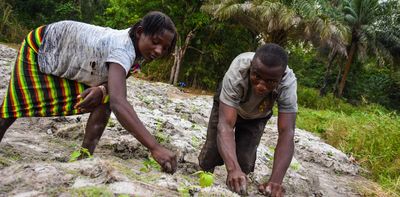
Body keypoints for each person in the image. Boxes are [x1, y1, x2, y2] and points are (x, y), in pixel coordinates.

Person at [0, 11, 178, 173]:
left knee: (104, 99)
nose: (158, 51)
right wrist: (154, 147)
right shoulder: (122, 49)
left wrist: (102, 89)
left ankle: (83, 159)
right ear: (140, 32)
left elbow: (116, 83)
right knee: (14, 104)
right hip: (41, 47)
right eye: (155, 42)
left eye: (165, 47)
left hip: (73, 63)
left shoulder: (139, 48)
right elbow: (119, 102)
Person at [198, 43, 297, 196]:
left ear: (281, 77)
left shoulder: (288, 84)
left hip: (257, 115)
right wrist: (232, 169)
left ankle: (236, 189)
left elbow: (287, 132)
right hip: (228, 107)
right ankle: (203, 181)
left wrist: (275, 182)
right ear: (251, 66)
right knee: (212, 152)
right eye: (257, 76)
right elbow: (226, 125)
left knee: (244, 161)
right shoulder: (238, 70)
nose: (261, 86)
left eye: (270, 81)